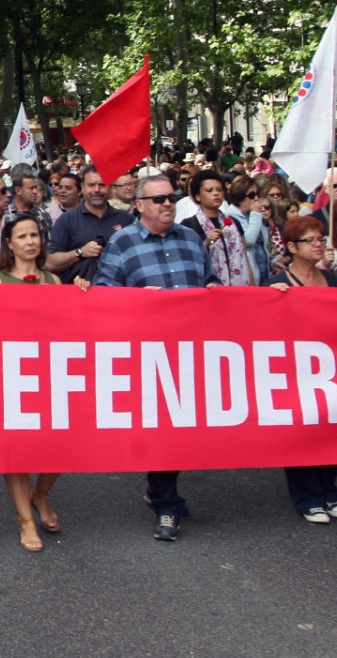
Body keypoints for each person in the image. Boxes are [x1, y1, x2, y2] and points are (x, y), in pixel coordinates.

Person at [94, 175, 214, 541]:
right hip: (151, 354)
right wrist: (136, 300)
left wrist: (213, 292)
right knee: (165, 429)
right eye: (159, 199)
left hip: (192, 350)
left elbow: (212, 282)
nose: (167, 204)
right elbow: (103, 294)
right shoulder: (122, 242)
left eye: (172, 198)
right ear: (140, 205)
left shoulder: (191, 238)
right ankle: (167, 505)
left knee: (186, 430)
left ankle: (161, 489)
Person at [0, 213, 83, 551]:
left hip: (50, 375)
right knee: (16, 452)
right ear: (9, 243)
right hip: (12, 379)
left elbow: (69, 327)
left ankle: (41, 495)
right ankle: (25, 520)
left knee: (62, 446)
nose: (30, 242)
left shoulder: (55, 281)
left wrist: (82, 295)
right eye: (22, 236)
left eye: (34, 235)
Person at [259, 216, 337, 523]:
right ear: (293, 247)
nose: (318, 245)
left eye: (320, 239)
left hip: (329, 367)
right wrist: (273, 301)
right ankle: (308, 497)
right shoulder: (277, 283)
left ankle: (329, 488)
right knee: (303, 436)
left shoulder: (331, 279)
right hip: (295, 371)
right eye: (310, 240)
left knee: (334, 432)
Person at [46, 167, 134, 284]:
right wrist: (80, 252)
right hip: (80, 295)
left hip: (119, 293)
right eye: (91, 185)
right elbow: (51, 263)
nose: (97, 190)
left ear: (111, 188)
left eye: (102, 185)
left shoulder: (126, 219)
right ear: (82, 187)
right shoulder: (67, 220)